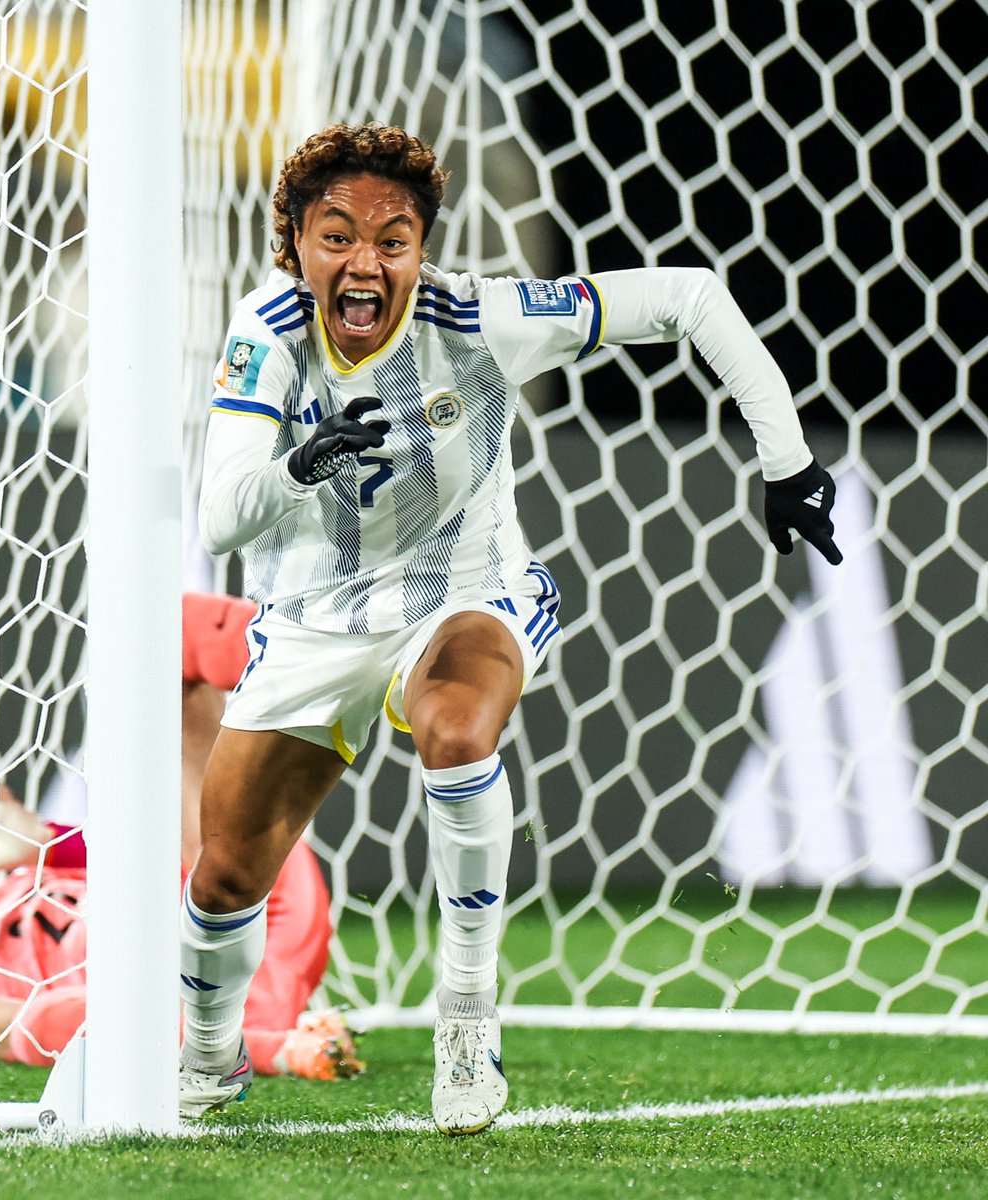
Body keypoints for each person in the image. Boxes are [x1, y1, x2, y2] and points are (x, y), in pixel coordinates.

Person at [180, 122, 843, 1135]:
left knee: (457, 728)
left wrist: (787, 460)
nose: (366, 262)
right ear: (295, 244)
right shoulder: (263, 331)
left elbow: (689, 296)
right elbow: (221, 515)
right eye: (338, 236)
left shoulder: (479, 317)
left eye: (394, 239)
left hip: (465, 594)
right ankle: (211, 1053)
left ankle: (467, 1019)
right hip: (312, 620)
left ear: (422, 249)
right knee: (225, 875)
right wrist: (303, 463)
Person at [0, 592, 362, 1082]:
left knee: (165, 629)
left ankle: (367, 661)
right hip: (231, 980)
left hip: (214, 882)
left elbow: (138, 864)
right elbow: (101, 1029)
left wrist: (46, 842)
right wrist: (277, 1052)